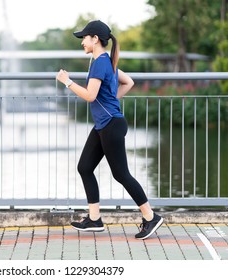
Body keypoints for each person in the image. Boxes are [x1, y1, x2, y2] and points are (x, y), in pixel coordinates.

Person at [56, 20, 163, 240]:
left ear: (95, 39)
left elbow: (90, 96)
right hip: (105, 123)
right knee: (85, 167)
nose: (82, 41)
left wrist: (67, 82)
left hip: (111, 125)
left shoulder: (101, 63)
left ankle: (150, 216)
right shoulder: (106, 61)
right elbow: (129, 82)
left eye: (84, 37)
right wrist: (111, 101)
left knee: (121, 174)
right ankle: (94, 219)